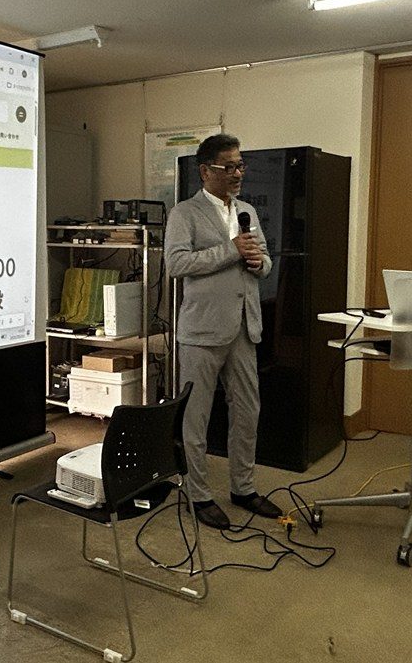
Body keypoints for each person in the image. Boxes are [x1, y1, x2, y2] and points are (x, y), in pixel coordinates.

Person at [164, 133, 283, 529]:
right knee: (196, 417)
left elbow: (264, 260)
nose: (237, 174)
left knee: (248, 410)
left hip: (245, 326)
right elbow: (176, 264)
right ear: (206, 171)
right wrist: (231, 250)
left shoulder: (246, 210)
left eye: (240, 166)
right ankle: (198, 495)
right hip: (202, 331)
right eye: (228, 167)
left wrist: (258, 263)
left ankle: (243, 488)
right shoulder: (185, 213)